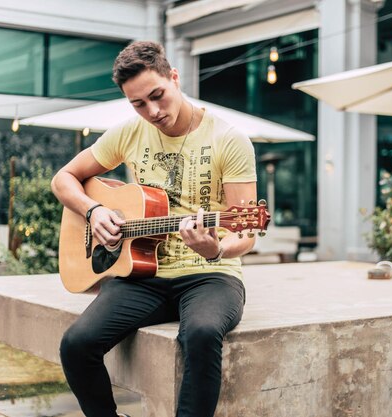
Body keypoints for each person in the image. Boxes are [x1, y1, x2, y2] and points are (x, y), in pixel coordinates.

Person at [51, 40, 257, 417]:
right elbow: (63, 178)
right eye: (138, 104)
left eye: (157, 96)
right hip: (142, 274)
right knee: (76, 344)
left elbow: (245, 231)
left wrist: (216, 249)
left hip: (211, 275)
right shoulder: (128, 133)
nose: (153, 111)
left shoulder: (229, 140)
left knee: (201, 333)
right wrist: (94, 210)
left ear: (174, 78)